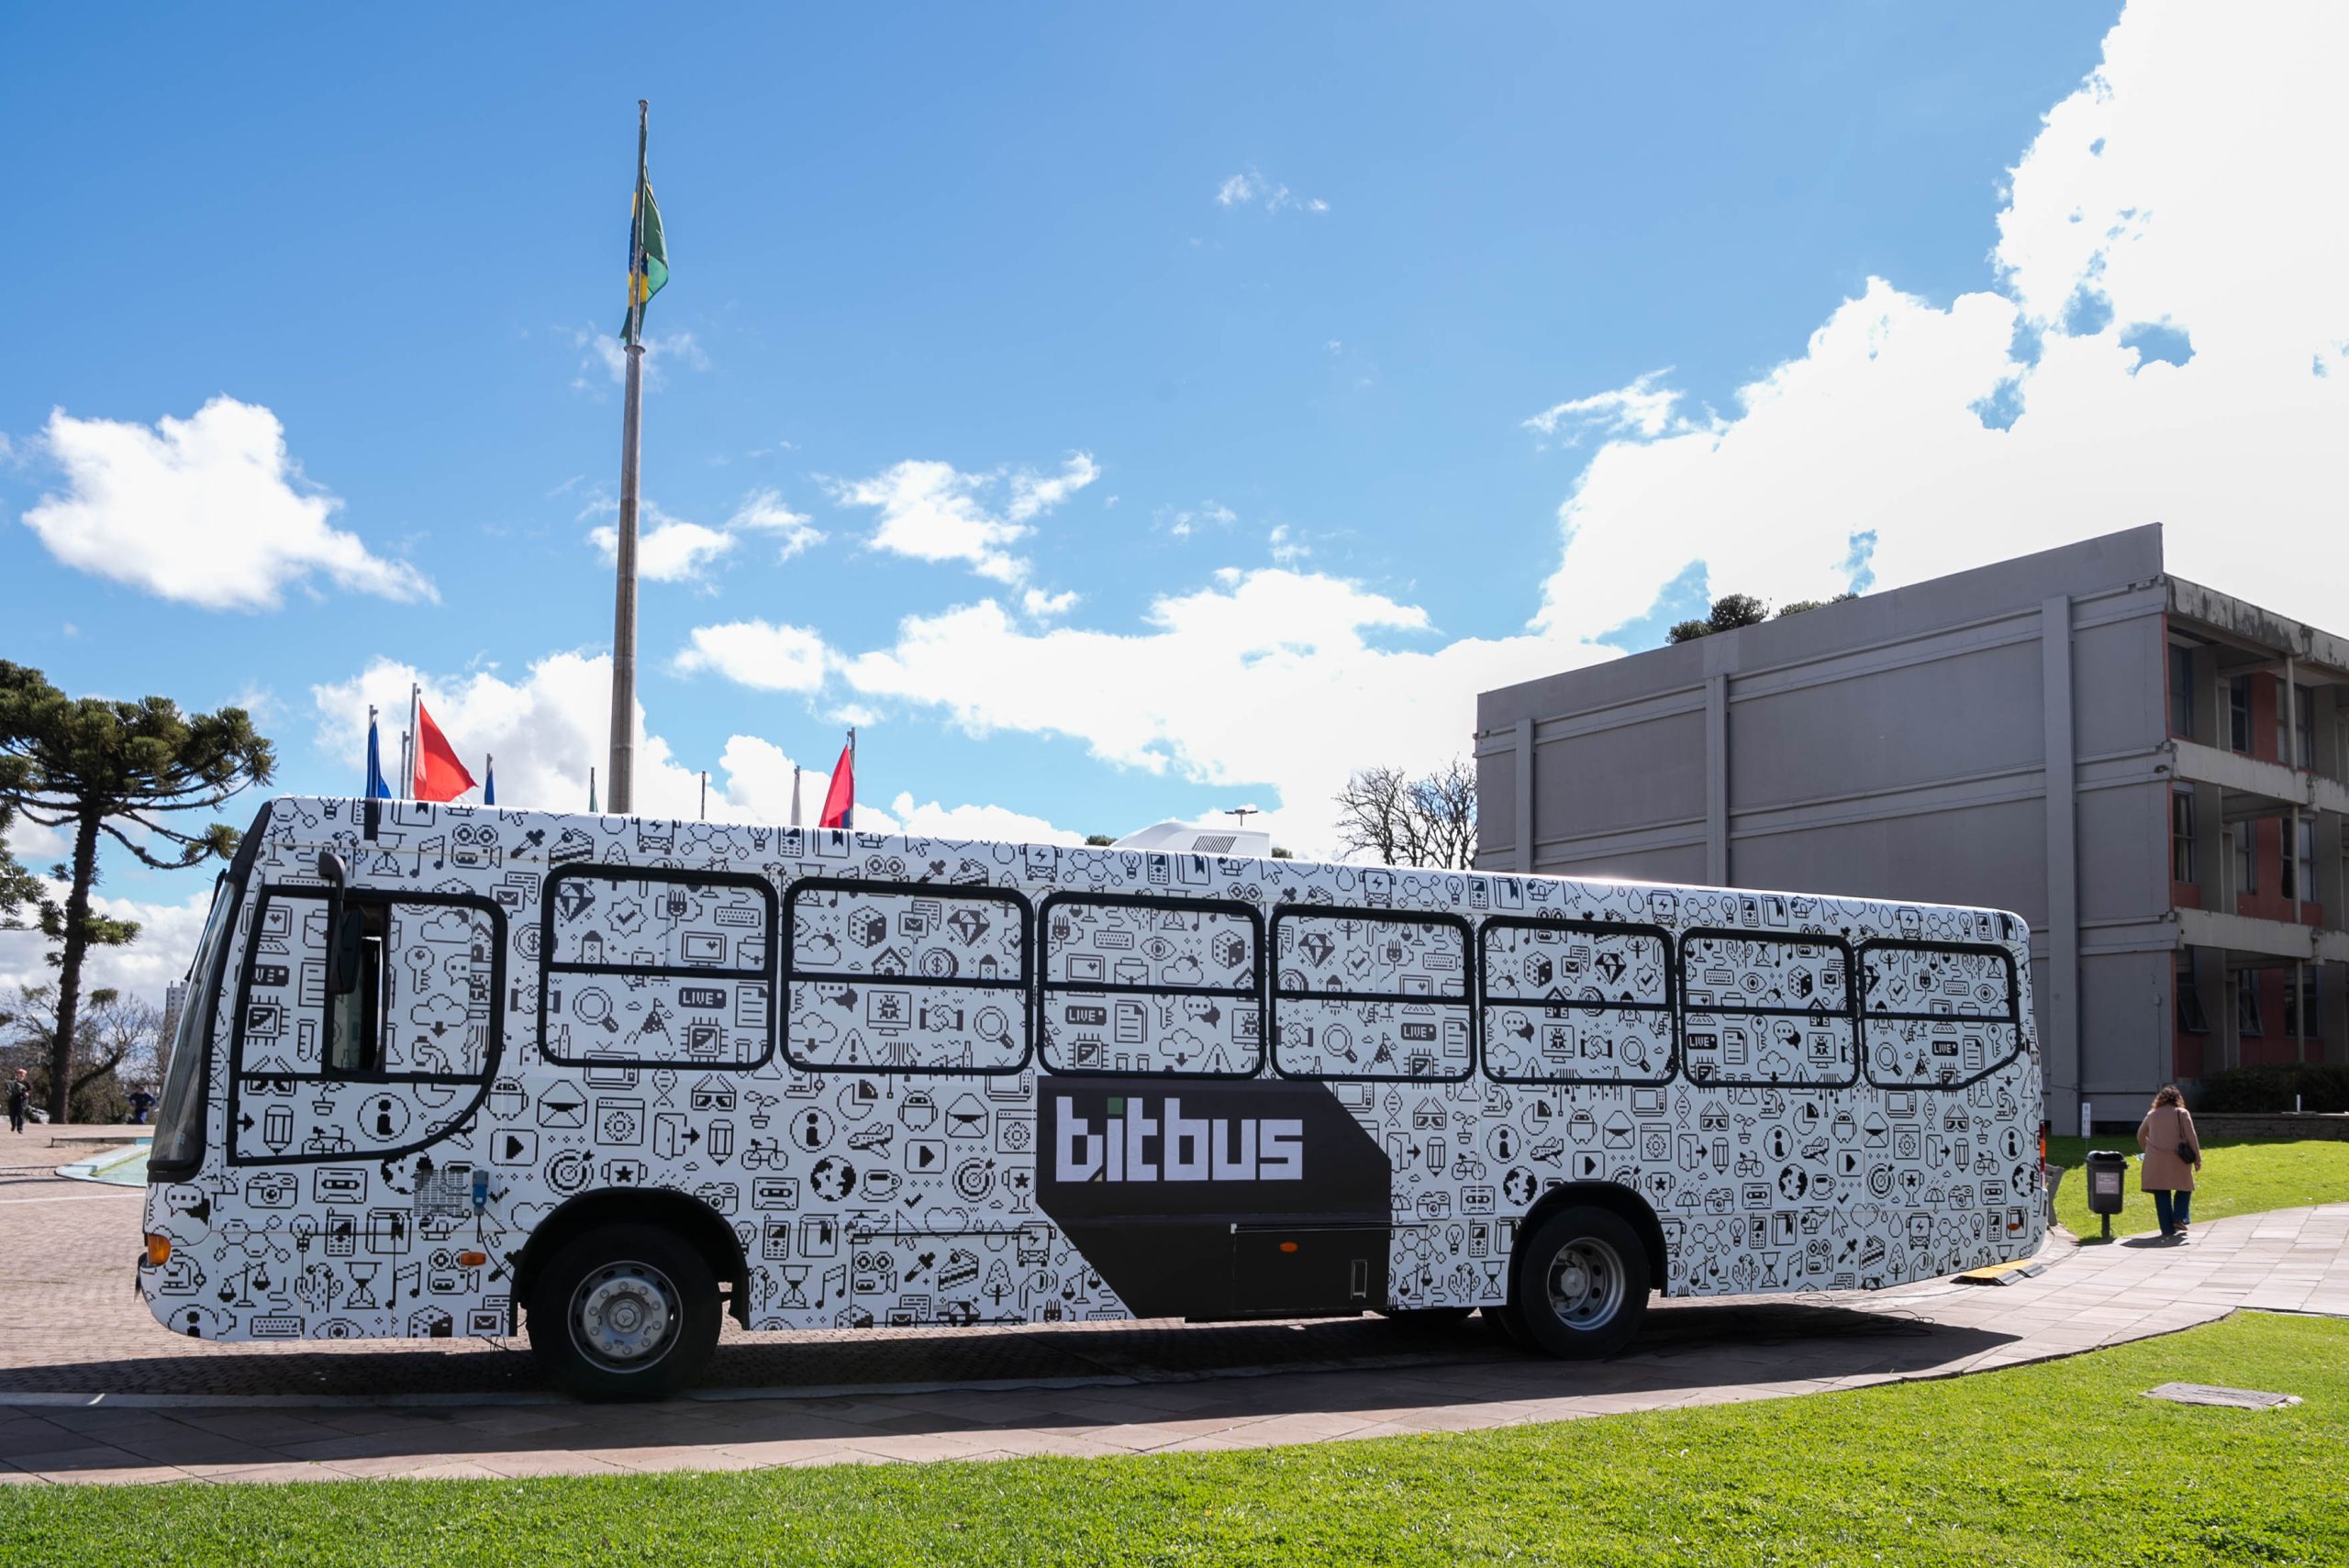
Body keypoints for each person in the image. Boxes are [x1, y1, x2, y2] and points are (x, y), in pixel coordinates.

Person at [2136, 1084, 2203, 1242]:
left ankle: (2167, 1229)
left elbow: (2140, 1135)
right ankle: (2179, 1217)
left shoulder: (2152, 1114)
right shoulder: (2182, 1113)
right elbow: (2191, 1137)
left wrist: (2148, 1150)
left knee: (2161, 1192)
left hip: (2156, 1160)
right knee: (2185, 1187)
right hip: (2178, 1158)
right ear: (2177, 1099)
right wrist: (2197, 1158)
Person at [6, 1069, 27, 1136]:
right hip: (12, 1099)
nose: (21, 1076)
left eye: (23, 1075)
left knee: (20, 1114)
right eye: (20, 1074)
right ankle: (13, 1125)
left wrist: (26, 1093)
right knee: (12, 1114)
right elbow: (8, 1088)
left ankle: (20, 1128)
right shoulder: (12, 1082)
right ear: (18, 1075)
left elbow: (28, 1090)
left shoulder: (26, 1083)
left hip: (21, 1099)